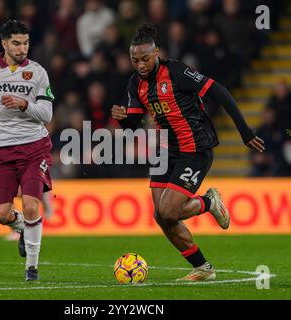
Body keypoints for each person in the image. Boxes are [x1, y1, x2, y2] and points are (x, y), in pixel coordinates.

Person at [111, 24, 265, 281]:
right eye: (134, 60)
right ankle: (203, 268)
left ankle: (209, 202)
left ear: (156, 52)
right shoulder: (135, 83)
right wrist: (121, 119)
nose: (140, 65)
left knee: (170, 211)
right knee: (161, 216)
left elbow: (220, 91)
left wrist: (245, 131)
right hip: (164, 151)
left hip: (194, 148)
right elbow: (134, 127)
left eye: (145, 58)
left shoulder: (177, 71)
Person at [0, 20, 55, 281]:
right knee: (1, 214)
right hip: (1, 151)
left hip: (34, 148)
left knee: (30, 206)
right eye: (16, 43)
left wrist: (24, 104)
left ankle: (32, 268)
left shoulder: (38, 72)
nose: (22, 48)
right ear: (4, 43)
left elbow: (47, 114)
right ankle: (25, 230)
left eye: (26, 43)